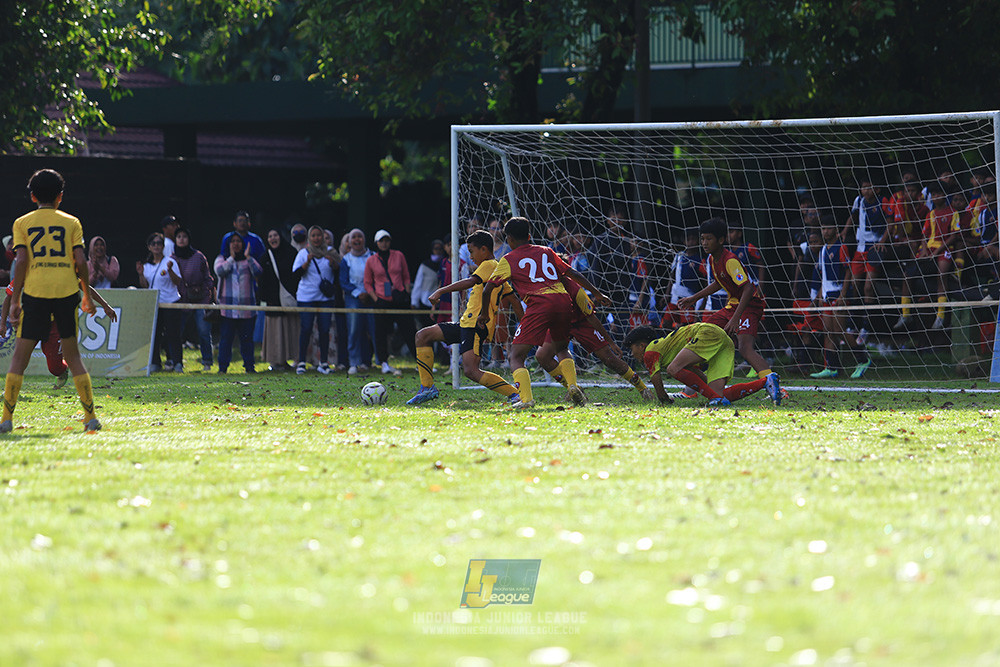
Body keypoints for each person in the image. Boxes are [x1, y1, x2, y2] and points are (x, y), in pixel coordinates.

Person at [2, 169, 101, 433]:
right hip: (66, 293)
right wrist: (87, 296)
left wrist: (15, 300)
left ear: (33, 196)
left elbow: (22, 261)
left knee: (18, 359)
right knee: (74, 357)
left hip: (36, 294)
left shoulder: (22, 223)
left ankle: (6, 419)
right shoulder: (72, 222)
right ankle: (90, 417)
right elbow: (80, 261)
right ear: (60, 196)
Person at [476, 216, 606, 409]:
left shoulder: (508, 259)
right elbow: (573, 273)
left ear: (509, 239)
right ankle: (572, 386)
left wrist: (484, 314)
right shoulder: (547, 251)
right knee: (561, 348)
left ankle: (526, 399)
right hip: (563, 301)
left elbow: (488, 289)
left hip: (539, 304)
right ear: (529, 236)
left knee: (516, 356)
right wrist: (597, 293)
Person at [407, 230, 523, 405]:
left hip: (476, 326)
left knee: (471, 371)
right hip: (465, 323)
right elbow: (514, 299)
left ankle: (514, 394)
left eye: (471, 251)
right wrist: (524, 323)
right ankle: (427, 388)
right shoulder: (496, 272)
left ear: (484, 249)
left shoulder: (490, 264)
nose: (470, 256)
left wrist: (440, 290)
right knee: (422, 336)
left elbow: (470, 282)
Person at [678, 217, 780, 398]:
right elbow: (719, 282)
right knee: (704, 334)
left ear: (721, 240)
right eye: (702, 239)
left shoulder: (730, 260)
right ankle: (693, 389)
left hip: (749, 305)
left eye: (708, 239)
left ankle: (777, 388)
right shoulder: (712, 259)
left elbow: (748, 288)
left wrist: (735, 319)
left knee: (745, 348)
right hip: (733, 305)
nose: (704, 243)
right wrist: (694, 298)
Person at [535, 277, 654, 402]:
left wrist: (610, 342)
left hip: (583, 323)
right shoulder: (541, 287)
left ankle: (642, 388)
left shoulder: (575, 290)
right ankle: (574, 389)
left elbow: (591, 317)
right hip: (560, 323)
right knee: (542, 356)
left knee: (609, 359)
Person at [624, 323, 776, 408]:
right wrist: (709, 390)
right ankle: (766, 381)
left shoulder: (650, 352)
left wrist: (663, 399)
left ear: (641, 345)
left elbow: (656, 380)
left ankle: (715, 398)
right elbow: (698, 377)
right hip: (722, 338)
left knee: (673, 369)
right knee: (718, 393)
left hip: (706, 332)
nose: (632, 354)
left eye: (632, 349)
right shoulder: (670, 351)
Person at [1, 281, 116, 389]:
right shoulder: (26, 269)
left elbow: (83, 284)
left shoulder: (62, 269)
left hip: (54, 323)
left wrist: (105, 305)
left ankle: (63, 369)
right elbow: (9, 296)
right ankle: (10, 390)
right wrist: (2, 324)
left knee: (55, 369)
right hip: (31, 321)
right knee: (20, 357)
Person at [807, 218, 871, 379]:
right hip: (827, 295)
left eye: (828, 228)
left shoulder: (841, 247)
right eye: (823, 229)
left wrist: (843, 294)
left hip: (838, 293)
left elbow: (848, 271)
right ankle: (832, 367)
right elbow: (823, 276)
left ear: (836, 230)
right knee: (828, 332)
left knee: (839, 330)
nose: (825, 232)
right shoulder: (823, 250)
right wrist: (820, 295)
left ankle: (863, 360)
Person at [363, 229, 414, 377]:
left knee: (409, 330)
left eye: (386, 240)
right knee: (380, 333)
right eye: (381, 241)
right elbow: (367, 282)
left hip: (400, 299)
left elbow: (406, 276)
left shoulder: (398, 255)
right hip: (381, 300)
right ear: (376, 243)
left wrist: (406, 292)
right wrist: (376, 299)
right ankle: (384, 362)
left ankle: (420, 361)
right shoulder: (371, 260)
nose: (384, 244)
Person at [292, 225, 337, 375]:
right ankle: (302, 362)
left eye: (319, 235)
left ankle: (323, 363)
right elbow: (295, 274)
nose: (316, 238)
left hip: (325, 298)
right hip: (307, 297)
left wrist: (333, 264)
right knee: (306, 329)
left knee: (324, 330)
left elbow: (340, 271)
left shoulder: (330, 252)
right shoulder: (303, 253)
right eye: (313, 235)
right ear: (309, 238)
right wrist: (306, 264)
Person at [214, 234, 261, 374]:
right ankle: (222, 368)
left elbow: (258, 272)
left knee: (247, 341)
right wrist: (231, 258)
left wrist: (248, 257)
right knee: (226, 340)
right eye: (233, 241)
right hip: (227, 309)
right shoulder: (222, 259)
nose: (236, 244)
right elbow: (219, 271)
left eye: (238, 241)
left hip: (247, 309)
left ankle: (249, 367)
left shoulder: (248, 261)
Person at [137, 232, 183, 372]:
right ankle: (155, 363)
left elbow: (177, 281)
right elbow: (145, 286)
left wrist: (170, 270)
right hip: (155, 304)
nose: (156, 246)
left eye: (159, 243)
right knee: (155, 334)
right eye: (153, 244)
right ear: (149, 247)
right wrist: (140, 274)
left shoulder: (170, 262)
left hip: (170, 302)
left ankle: (177, 362)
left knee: (173, 334)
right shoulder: (147, 265)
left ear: (163, 246)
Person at [172, 227, 215, 372]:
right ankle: (175, 362)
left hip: (200, 299)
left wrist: (207, 295)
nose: (181, 239)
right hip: (180, 300)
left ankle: (207, 361)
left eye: (184, 236)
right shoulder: (172, 259)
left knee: (203, 331)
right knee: (177, 332)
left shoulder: (199, 257)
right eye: (179, 237)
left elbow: (208, 278)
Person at [918, 183, 959, 330]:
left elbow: (954, 236)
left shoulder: (953, 212)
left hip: (945, 248)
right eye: (933, 195)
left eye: (939, 194)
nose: (936, 197)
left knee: (941, 275)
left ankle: (940, 315)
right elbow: (924, 235)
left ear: (945, 195)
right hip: (930, 249)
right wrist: (924, 250)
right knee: (908, 273)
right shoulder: (931, 214)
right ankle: (905, 313)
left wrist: (937, 251)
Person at [259, 228, 300, 372]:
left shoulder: (291, 253)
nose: (273, 238)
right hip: (273, 302)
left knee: (290, 330)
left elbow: (296, 276)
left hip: (288, 300)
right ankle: (276, 361)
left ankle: (289, 360)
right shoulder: (265, 257)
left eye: (275, 235)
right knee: (275, 332)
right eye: (270, 236)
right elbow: (262, 281)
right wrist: (265, 299)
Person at [340, 228, 376, 375]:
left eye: (359, 237)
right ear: (349, 242)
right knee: (354, 329)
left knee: (373, 329)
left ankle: (376, 361)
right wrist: (358, 293)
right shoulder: (346, 259)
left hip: (372, 296)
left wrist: (369, 292)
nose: (357, 240)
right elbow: (343, 281)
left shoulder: (373, 256)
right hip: (353, 297)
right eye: (353, 237)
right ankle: (354, 362)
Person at [411, 239, 445, 324]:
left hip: (441, 304)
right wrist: (414, 301)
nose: (438, 251)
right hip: (426, 302)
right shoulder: (425, 265)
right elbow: (418, 284)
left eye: (440, 249)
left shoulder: (445, 265)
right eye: (436, 249)